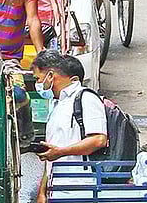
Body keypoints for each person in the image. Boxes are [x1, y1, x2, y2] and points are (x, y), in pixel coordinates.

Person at [36, 53, 109, 197]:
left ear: (50, 76)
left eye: (38, 78)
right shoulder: (57, 104)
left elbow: (99, 140)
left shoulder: (86, 97)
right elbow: (52, 152)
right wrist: (42, 191)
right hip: (58, 187)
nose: (38, 84)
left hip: (80, 188)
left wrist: (61, 152)